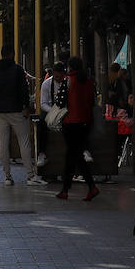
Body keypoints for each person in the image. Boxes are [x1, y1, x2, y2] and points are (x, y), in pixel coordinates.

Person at [0, 43, 39, 186]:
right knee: (24, 141)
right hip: (16, 111)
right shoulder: (17, 70)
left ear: (1, 55)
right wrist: (27, 107)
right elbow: (24, 91)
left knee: (3, 144)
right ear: (12, 54)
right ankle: (30, 175)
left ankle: (8, 177)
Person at [57, 56, 99, 201]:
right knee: (73, 154)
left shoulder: (67, 80)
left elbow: (60, 101)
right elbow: (92, 102)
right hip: (85, 122)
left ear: (70, 67)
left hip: (70, 122)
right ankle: (65, 189)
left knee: (74, 155)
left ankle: (90, 186)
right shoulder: (89, 81)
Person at [36, 61, 69, 167]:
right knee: (41, 123)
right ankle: (42, 153)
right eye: (56, 76)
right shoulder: (46, 84)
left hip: (65, 110)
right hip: (50, 110)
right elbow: (43, 103)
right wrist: (54, 113)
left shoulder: (68, 83)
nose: (58, 79)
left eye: (60, 77)